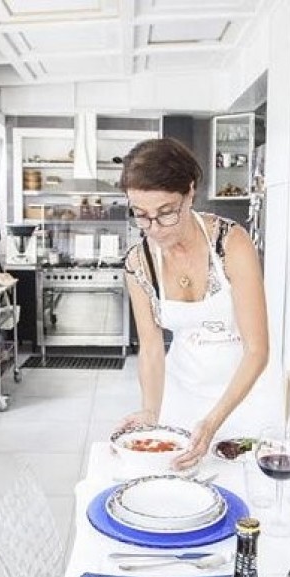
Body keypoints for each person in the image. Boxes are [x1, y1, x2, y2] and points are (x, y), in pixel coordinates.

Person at [117, 138, 270, 470]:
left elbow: (257, 349)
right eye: (141, 216)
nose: (154, 228)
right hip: (182, 396)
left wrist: (213, 422)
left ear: (189, 193)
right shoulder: (138, 263)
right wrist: (150, 412)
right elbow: (151, 348)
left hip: (243, 397)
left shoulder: (232, 244)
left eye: (166, 213)